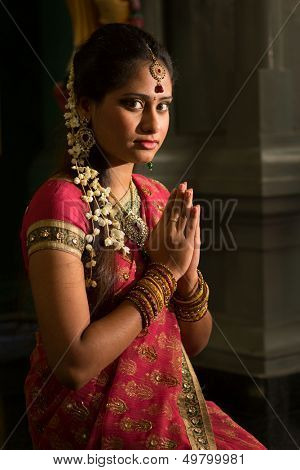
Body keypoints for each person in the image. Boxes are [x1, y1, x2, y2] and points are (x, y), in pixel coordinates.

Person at [20, 23, 266, 450]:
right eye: (133, 103)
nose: (153, 122)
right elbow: (74, 365)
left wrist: (187, 277)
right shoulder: (61, 202)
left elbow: (196, 340)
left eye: (163, 105)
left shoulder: (155, 198)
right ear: (85, 107)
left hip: (167, 405)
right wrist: (166, 272)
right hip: (87, 420)